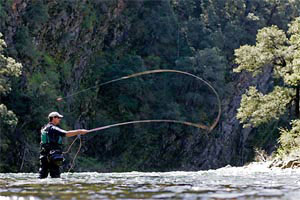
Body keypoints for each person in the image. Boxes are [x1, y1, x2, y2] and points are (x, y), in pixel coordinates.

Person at [39, 111, 88, 178]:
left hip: (44, 156)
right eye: (58, 118)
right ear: (53, 118)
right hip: (53, 157)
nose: (60, 119)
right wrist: (80, 131)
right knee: (55, 177)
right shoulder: (53, 128)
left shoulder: (45, 128)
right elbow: (66, 133)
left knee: (42, 175)